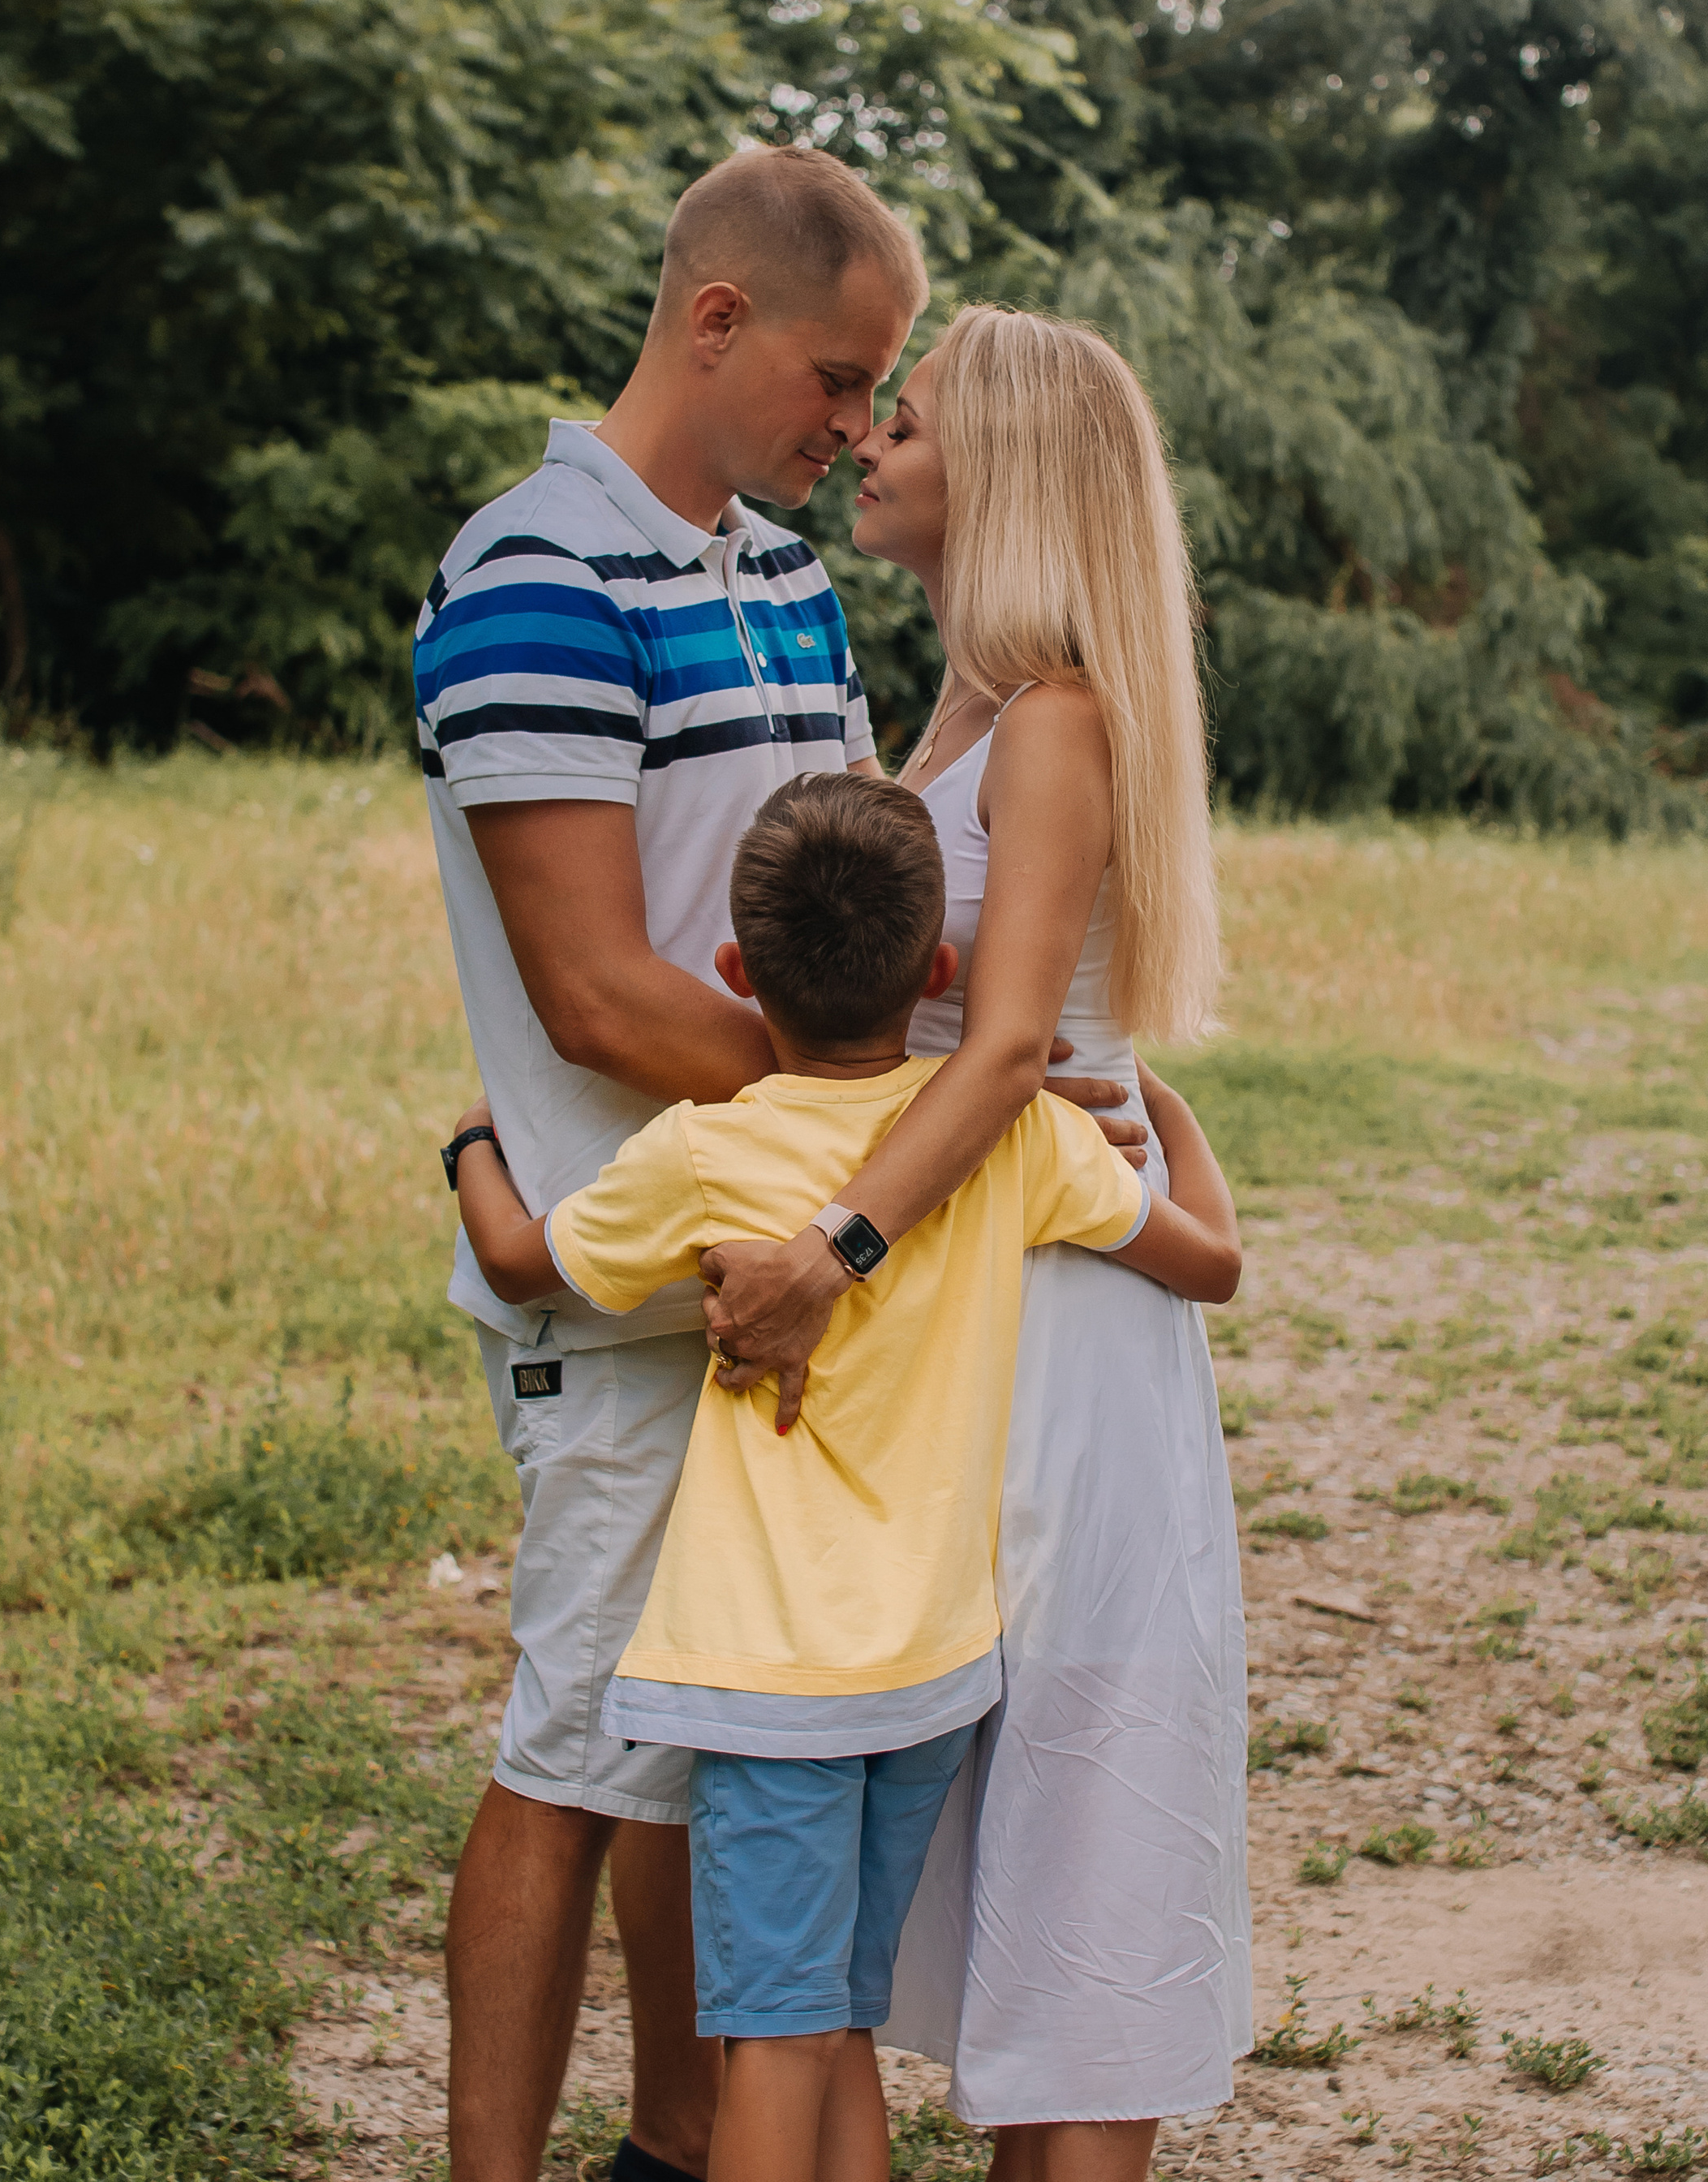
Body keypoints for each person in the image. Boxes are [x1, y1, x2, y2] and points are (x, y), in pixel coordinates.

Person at [444, 773, 1240, 2182]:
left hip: (765, 1680)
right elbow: (1210, 1265)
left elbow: (522, 1264)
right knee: (843, 2020)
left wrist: (470, 1148)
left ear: (738, 976)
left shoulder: (705, 1152)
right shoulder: (1007, 1137)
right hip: (932, 1670)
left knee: (778, 2036)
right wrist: (1159, 1103)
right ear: (938, 971)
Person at [412, 143, 928, 2182]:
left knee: (710, 1759)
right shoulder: (531, 568)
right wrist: (862, 1105)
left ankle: (680, 2152)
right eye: (834, 375)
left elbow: (855, 895)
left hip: (788, 1261)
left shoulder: (786, 577)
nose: (855, 426)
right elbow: (597, 993)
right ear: (713, 321)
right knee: (569, 1755)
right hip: (624, 1282)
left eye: (877, 390)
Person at [701, 307, 1252, 2182]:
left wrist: (827, 1245)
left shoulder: (1056, 718)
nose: (867, 441)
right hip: (969, 1304)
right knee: (950, 1841)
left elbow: (1014, 1040)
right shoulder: (955, 712)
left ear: (1002, 470)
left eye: (906, 421)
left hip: (1051, 1324)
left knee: (1078, 1857)